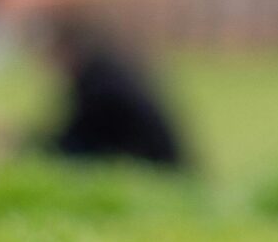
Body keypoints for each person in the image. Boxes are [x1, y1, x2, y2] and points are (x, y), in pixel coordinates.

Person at [31, 11, 189, 169]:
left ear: (65, 50)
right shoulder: (103, 70)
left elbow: (80, 139)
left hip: (155, 162)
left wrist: (32, 142)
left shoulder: (99, 82)